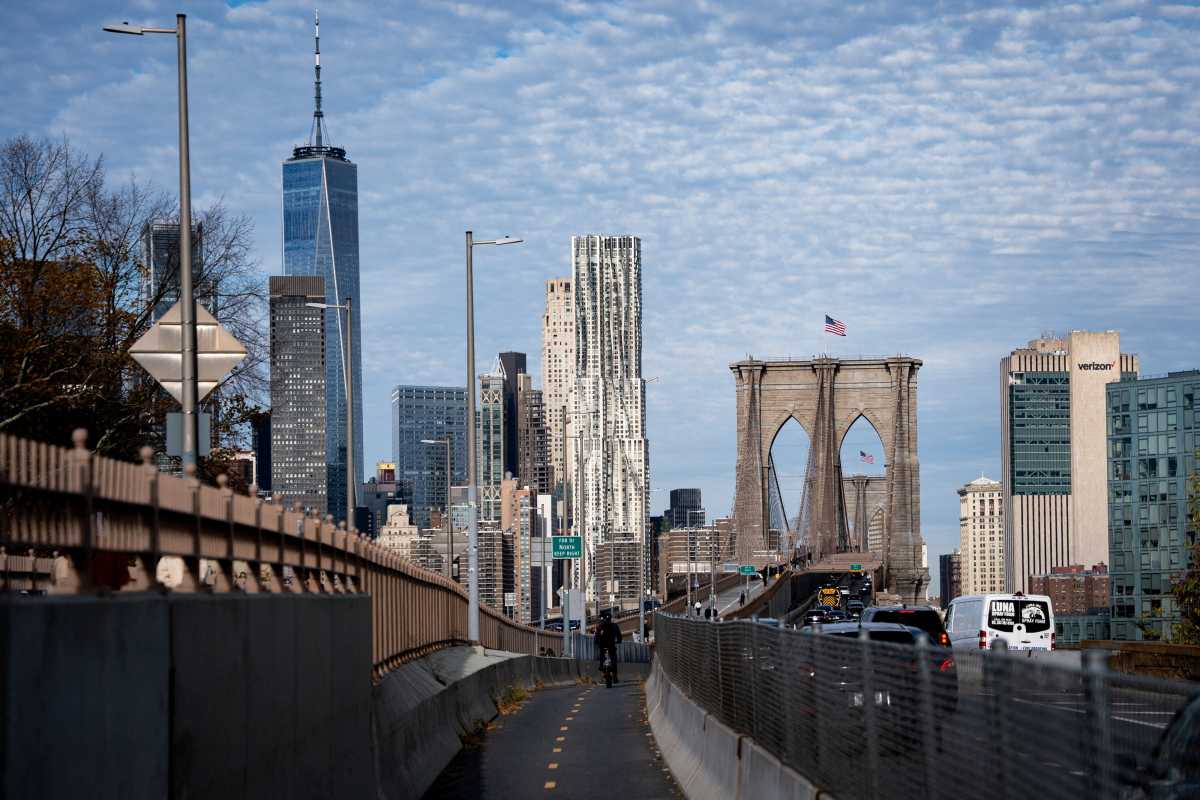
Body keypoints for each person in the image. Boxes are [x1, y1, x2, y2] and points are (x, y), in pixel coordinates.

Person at [594, 610, 622, 682]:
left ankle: (602, 667)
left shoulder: (600, 626)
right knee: (613, 660)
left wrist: (596, 642)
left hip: (603, 646)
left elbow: (596, 636)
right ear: (610, 618)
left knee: (602, 657)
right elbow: (619, 635)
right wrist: (619, 641)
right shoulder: (614, 626)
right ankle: (615, 676)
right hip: (611, 645)